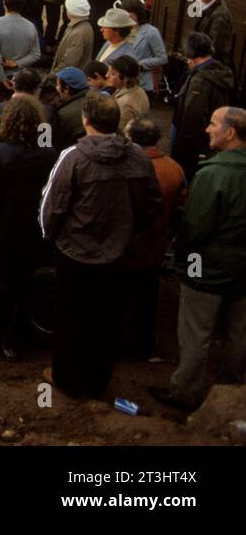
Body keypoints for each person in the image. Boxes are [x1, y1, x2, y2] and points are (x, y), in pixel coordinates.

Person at [39, 93, 160, 398]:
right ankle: (97, 381)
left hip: (75, 253)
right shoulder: (139, 157)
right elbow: (152, 206)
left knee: (70, 316)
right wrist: (128, 232)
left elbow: (50, 208)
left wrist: (51, 238)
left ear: (85, 119)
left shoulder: (73, 157)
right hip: (118, 254)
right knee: (108, 318)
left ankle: (67, 379)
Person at [151, 107, 246, 411]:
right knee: (237, 333)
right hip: (242, 269)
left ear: (230, 132)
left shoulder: (213, 174)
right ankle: (229, 394)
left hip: (206, 268)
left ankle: (185, 393)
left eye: (213, 124)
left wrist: (184, 263)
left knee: (195, 333)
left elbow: (194, 228)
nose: (207, 129)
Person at [0, 96, 55, 360]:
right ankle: (16, 341)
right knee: (22, 285)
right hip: (30, 231)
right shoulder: (48, 155)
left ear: (8, 122)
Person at [122, 117, 185, 361]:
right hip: (155, 246)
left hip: (128, 247)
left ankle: (124, 346)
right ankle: (143, 346)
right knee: (147, 298)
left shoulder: (130, 168)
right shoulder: (174, 166)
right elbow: (181, 207)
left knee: (124, 299)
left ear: (131, 139)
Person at [170, 31, 235, 180]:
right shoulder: (219, 71)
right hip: (208, 136)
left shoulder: (199, 81)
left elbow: (192, 117)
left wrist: (182, 147)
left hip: (191, 141)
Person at [0, 0, 41, 100]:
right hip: (22, 79)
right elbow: (36, 54)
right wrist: (17, 63)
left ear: (4, 2)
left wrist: (2, 78)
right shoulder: (30, 26)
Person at [50, 0, 93, 74]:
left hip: (69, 81)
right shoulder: (82, 26)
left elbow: (68, 63)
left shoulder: (78, 33)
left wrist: (52, 76)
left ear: (71, 12)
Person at [106, 54, 149, 132]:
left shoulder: (124, 104)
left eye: (112, 74)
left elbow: (120, 132)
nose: (107, 75)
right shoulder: (138, 89)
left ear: (125, 78)